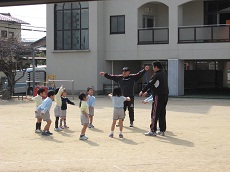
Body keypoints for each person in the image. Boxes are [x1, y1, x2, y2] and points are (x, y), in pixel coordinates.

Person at [139, 61, 168, 136]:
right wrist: (147, 92)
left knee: (155, 113)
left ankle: (153, 130)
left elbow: (150, 83)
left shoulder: (156, 75)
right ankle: (162, 130)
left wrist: (143, 90)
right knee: (162, 113)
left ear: (156, 67)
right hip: (165, 95)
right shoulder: (164, 74)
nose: (153, 68)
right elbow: (155, 85)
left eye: (153, 67)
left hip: (158, 95)